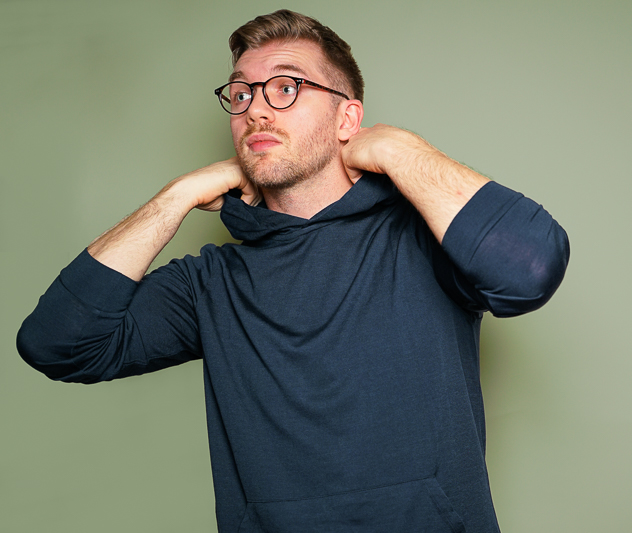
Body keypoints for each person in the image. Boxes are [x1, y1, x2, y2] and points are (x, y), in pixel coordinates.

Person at [17, 9, 569, 533]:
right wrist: (176, 197)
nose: (256, 109)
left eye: (286, 87)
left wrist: (400, 149)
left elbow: (530, 269)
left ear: (346, 116)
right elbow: (56, 345)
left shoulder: (425, 238)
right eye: (241, 93)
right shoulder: (210, 283)